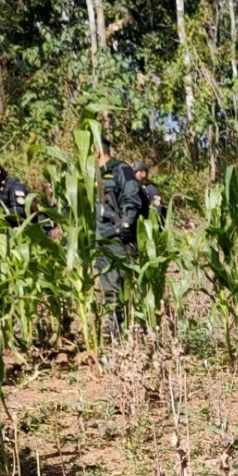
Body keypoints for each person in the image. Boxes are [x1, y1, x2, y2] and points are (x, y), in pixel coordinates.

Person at [95, 138, 145, 332]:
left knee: (122, 283)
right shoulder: (95, 175)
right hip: (101, 238)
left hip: (117, 237)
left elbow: (132, 197)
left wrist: (125, 225)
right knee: (108, 285)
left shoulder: (120, 169)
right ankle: (115, 325)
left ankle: (128, 328)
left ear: (97, 151)